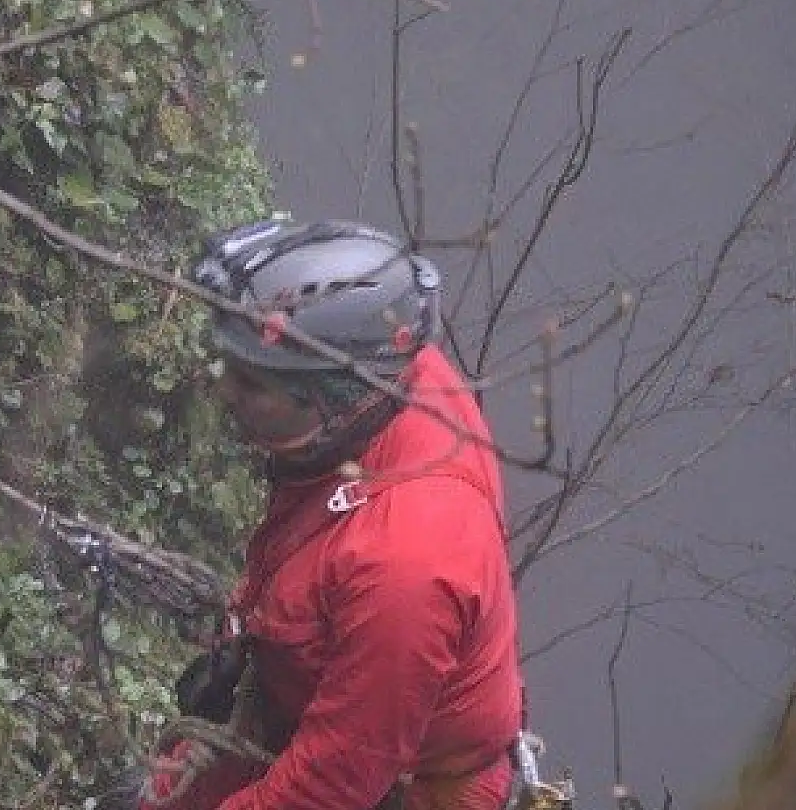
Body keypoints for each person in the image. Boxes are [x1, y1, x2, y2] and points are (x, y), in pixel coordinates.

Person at [141, 218, 525, 810]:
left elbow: (331, 786)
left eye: (250, 383)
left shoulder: (406, 567)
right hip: (295, 704)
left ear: (331, 401)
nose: (224, 392)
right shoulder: (387, 371)